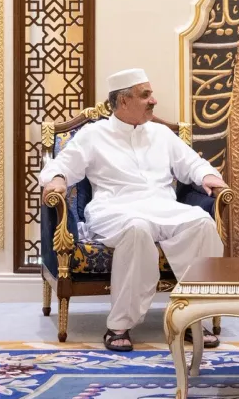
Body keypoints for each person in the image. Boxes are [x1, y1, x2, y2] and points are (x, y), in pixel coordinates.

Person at [40, 68, 227, 352]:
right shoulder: (94, 135)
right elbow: (62, 165)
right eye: (145, 95)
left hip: (162, 207)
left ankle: (192, 318)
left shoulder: (162, 134)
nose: (153, 101)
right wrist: (56, 180)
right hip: (115, 208)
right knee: (136, 228)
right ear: (123, 101)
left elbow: (191, 163)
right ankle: (119, 325)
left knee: (202, 224)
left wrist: (207, 177)